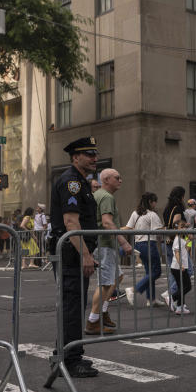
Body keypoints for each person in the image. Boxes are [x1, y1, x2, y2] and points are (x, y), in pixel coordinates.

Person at [49, 136, 101, 378]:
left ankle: (68, 353)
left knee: (74, 305)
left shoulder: (80, 181)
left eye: (95, 154)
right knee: (72, 306)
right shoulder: (72, 182)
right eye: (88, 154)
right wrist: (86, 255)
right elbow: (71, 222)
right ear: (75, 157)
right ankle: (69, 361)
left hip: (74, 252)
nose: (94, 158)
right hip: (71, 254)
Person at [85, 168, 132, 335]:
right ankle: (92, 321)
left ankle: (102, 312)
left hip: (103, 244)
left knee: (116, 276)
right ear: (106, 180)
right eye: (117, 178)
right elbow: (107, 222)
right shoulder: (106, 196)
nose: (121, 180)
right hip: (104, 244)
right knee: (105, 283)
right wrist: (124, 243)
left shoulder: (98, 195)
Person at [125, 192, 165, 307]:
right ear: (151, 202)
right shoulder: (152, 214)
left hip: (138, 244)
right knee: (156, 272)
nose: (155, 204)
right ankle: (133, 289)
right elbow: (158, 231)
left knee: (149, 272)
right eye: (155, 201)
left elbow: (129, 227)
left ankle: (151, 299)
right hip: (149, 244)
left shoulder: (135, 213)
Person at [161, 186, 187, 305]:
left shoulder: (167, 208)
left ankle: (172, 298)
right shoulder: (178, 209)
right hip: (176, 243)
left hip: (167, 241)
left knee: (173, 270)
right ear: (181, 196)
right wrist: (184, 226)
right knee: (188, 269)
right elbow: (176, 223)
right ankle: (170, 293)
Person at [168, 212, 193, 315]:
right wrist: (181, 264)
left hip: (179, 267)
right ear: (177, 229)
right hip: (178, 267)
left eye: (184, 227)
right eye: (182, 227)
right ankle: (172, 298)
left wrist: (189, 241)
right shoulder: (177, 239)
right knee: (187, 286)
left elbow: (185, 250)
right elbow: (177, 253)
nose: (184, 229)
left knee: (181, 287)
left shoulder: (182, 239)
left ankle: (179, 307)